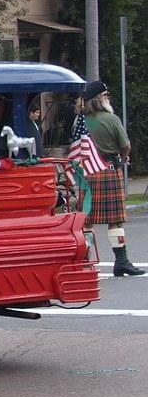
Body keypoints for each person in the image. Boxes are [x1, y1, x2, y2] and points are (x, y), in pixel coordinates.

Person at [79, 80, 144, 277]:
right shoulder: (111, 119)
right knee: (115, 221)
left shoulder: (80, 121)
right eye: (106, 95)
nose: (108, 98)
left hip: (87, 172)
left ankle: (85, 260)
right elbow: (125, 146)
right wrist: (124, 157)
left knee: (86, 221)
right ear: (99, 99)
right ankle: (121, 261)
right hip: (108, 170)